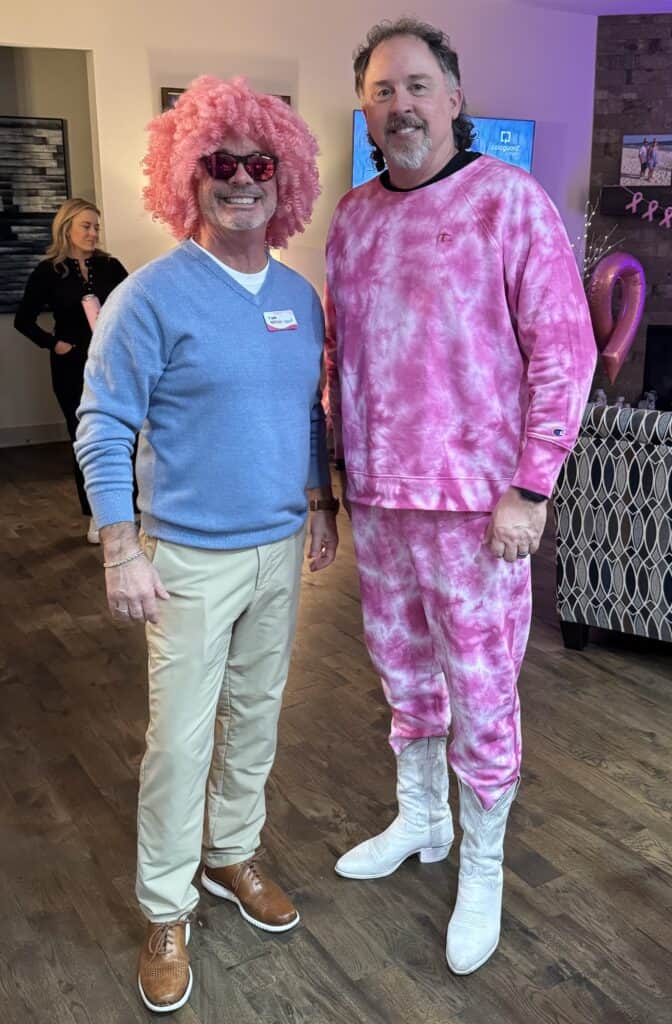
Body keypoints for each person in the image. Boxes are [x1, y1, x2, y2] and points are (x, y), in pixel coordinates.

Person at [325, 18, 596, 976]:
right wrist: (332, 485)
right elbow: (339, 362)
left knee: (482, 692)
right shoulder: (353, 218)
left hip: (482, 511)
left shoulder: (509, 204)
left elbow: (566, 351)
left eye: (417, 85)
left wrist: (532, 485)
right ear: (366, 110)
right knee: (403, 676)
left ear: (452, 97)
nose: (401, 105)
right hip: (383, 501)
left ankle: (482, 863)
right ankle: (423, 820)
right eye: (382, 91)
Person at [75, 75, 338, 1014]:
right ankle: (165, 905)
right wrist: (119, 546)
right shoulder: (153, 296)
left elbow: (307, 413)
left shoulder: (301, 298)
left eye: (256, 165)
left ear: (283, 178)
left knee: (258, 717)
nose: (239, 181)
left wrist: (319, 504)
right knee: (181, 741)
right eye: (218, 165)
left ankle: (231, 853)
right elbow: (101, 423)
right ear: (188, 177)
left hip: (277, 548)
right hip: (185, 555)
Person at [14, 198, 127, 542]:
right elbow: (24, 320)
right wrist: (54, 343)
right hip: (71, 364)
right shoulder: (49, 271)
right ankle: (97, 515)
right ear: (67, 228)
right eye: (86, 226)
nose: (93, 233)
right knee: (86, 436)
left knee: (122, 433)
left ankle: (127, 509)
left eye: (96, 226)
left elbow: (134, 306)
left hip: (112, 362)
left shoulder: (110, 266)